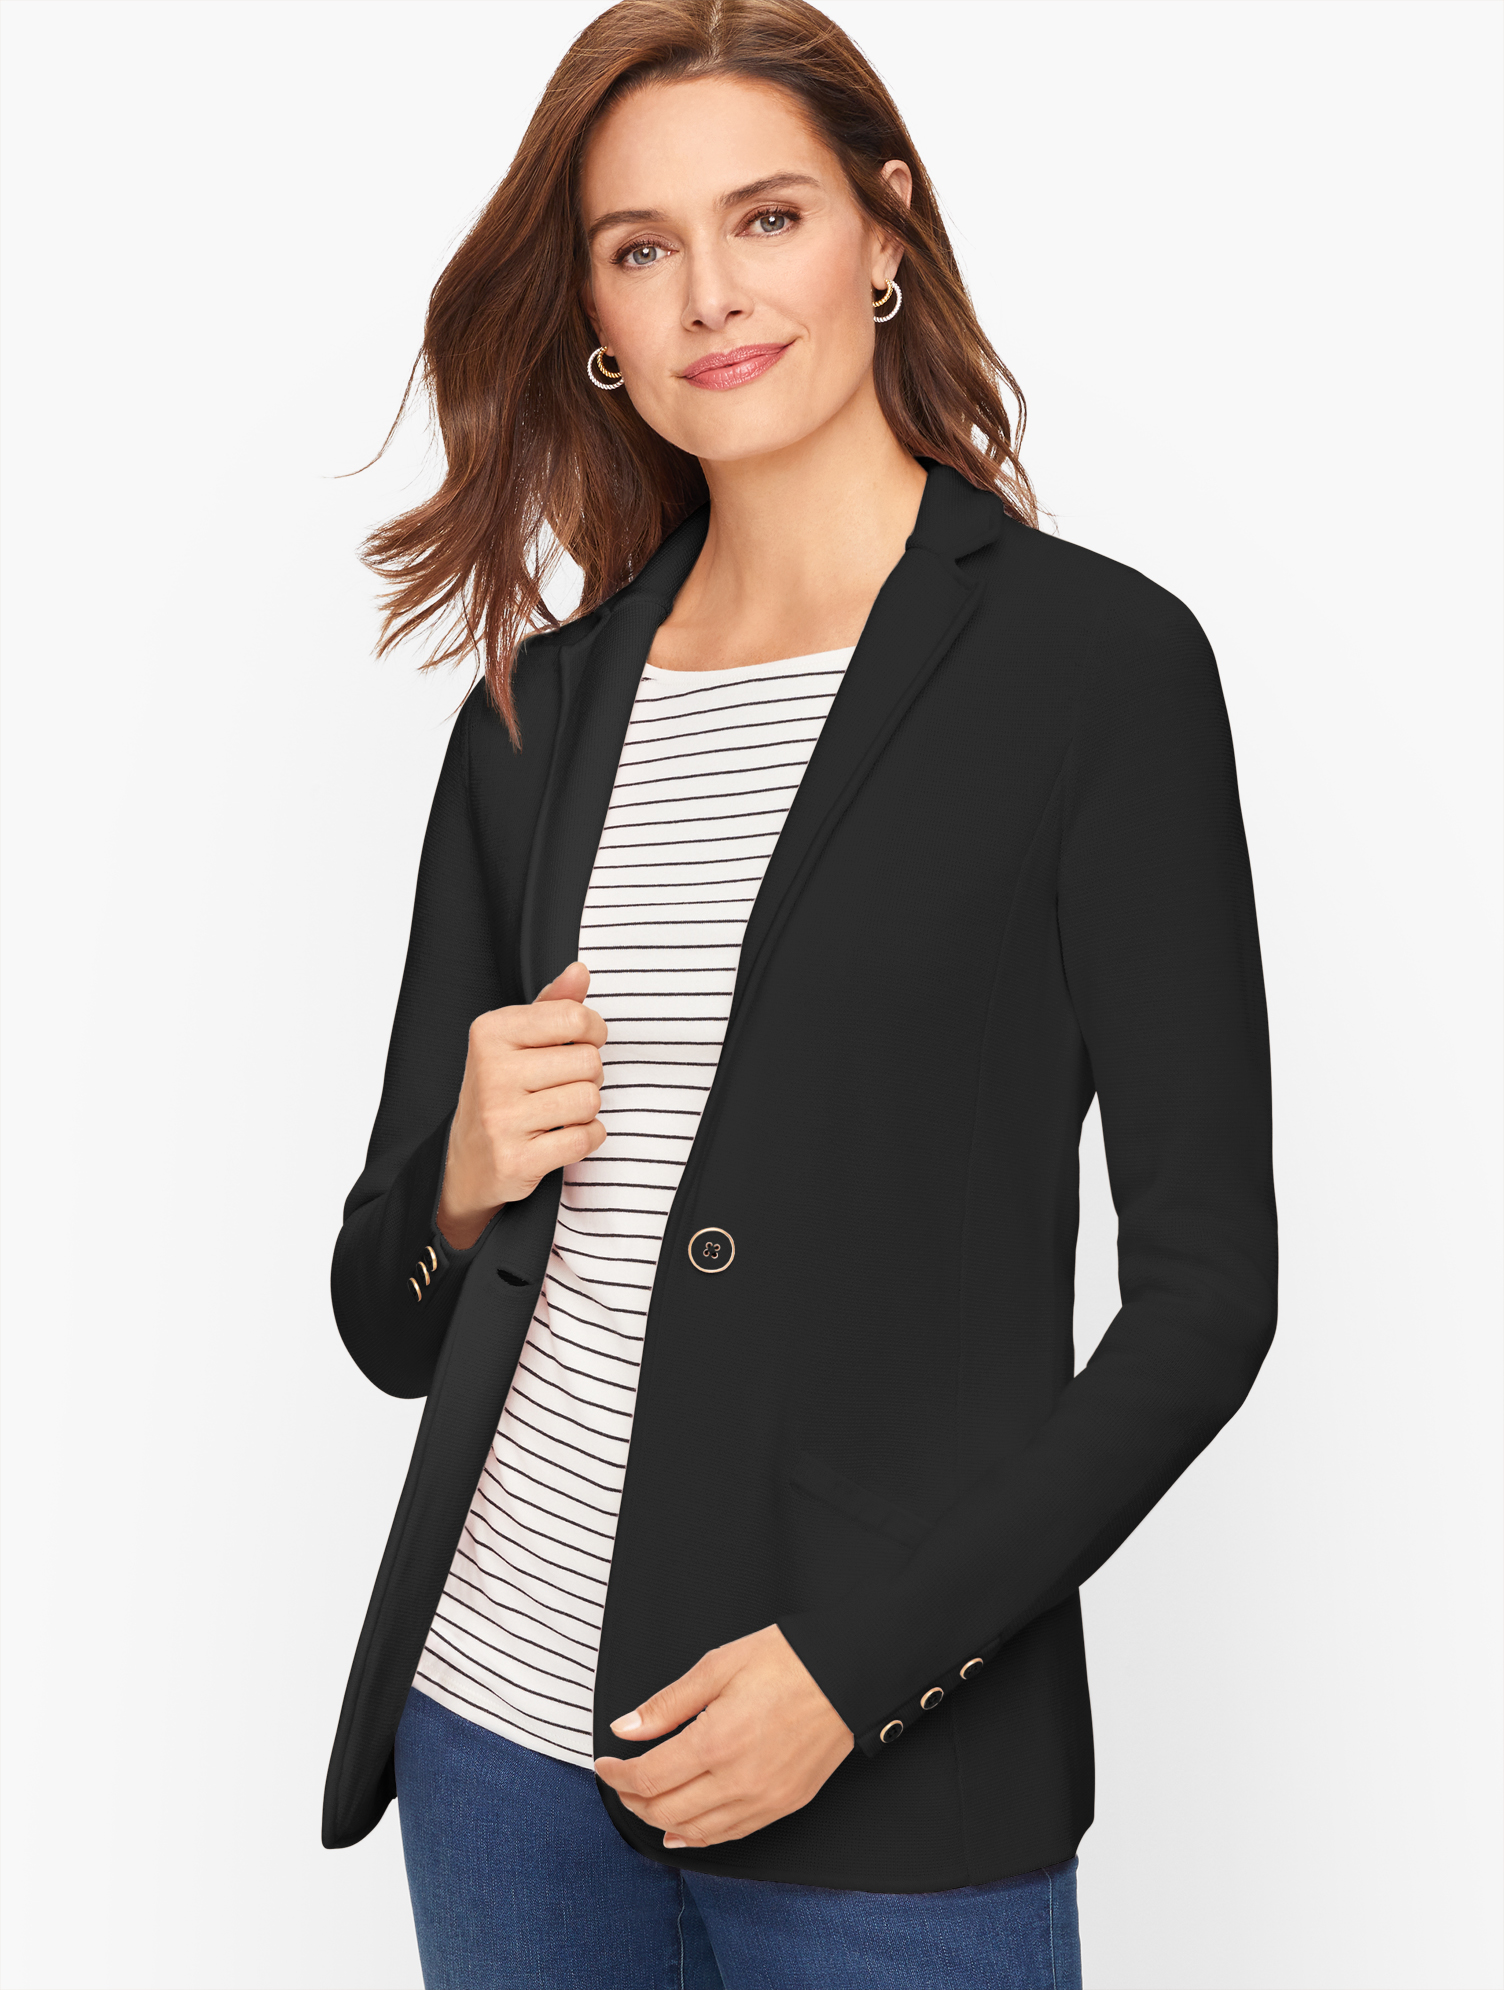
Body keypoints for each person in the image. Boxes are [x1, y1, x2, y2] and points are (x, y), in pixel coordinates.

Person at [320, 3, 1278, 1984]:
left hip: (881, 1776)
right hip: (496, 1731)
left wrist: (857, 1670)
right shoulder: (532, 717)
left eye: (765, 216)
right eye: (640, 246)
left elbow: (1207, 1296)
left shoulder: (1094, 673)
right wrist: (456, 1180)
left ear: (882, 229)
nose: (711, 296)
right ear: (594, 310)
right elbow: (385, 1322)